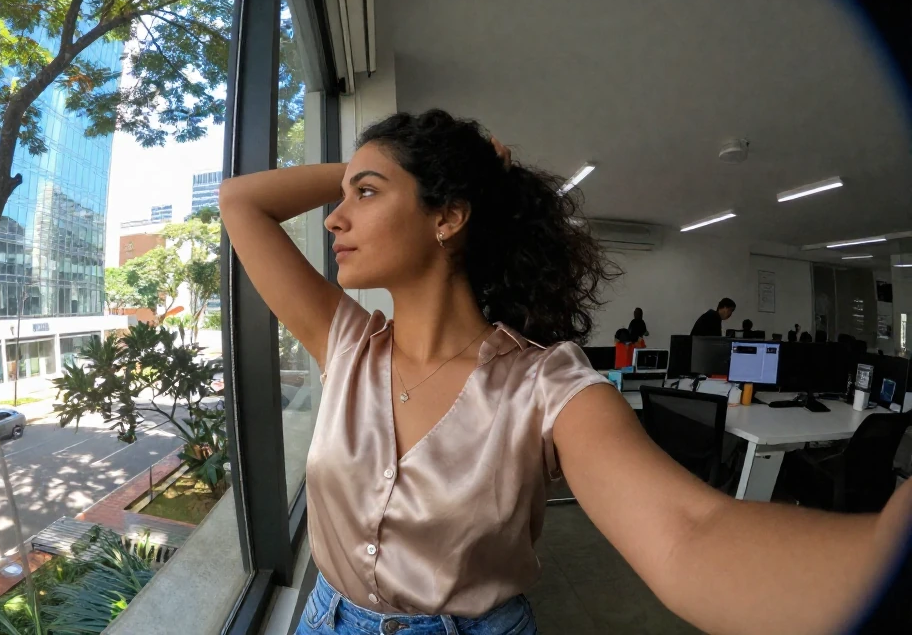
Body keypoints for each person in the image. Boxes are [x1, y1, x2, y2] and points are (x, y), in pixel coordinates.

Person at [220, 109, 910, 635]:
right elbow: (240, 202)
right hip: (324, 617)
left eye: (365, 194)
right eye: (343, 197)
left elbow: (689, 533)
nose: (334, 218)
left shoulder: (545, 384)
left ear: (448, 216)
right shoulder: (347, 343)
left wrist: (882, 555)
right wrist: (404, 169)